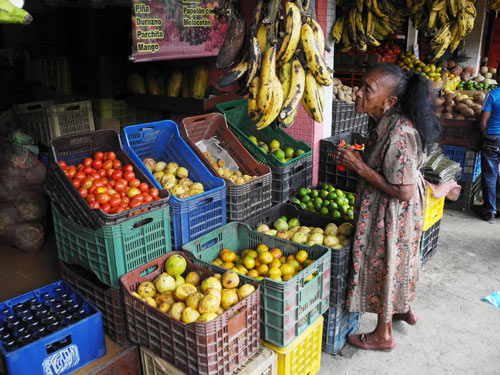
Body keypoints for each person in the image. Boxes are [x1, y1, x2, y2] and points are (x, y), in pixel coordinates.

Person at [334, 63, 440, 351]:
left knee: (387, 263)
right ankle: (402, 307)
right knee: (401, 261)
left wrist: (358, 166)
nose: (357, 93)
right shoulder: (385, 122)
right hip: (394, 209)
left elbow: (403, 190)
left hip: (394, 211)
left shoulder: (400, 133)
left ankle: (383, 334)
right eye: (361, 85)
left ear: (389, 101)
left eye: (367, 89)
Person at [476, 77, 500, 224]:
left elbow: (483, 121)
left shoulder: (493, 95)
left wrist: (486, 135)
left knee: (490, 176)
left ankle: (489, 212)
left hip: (493, 138)